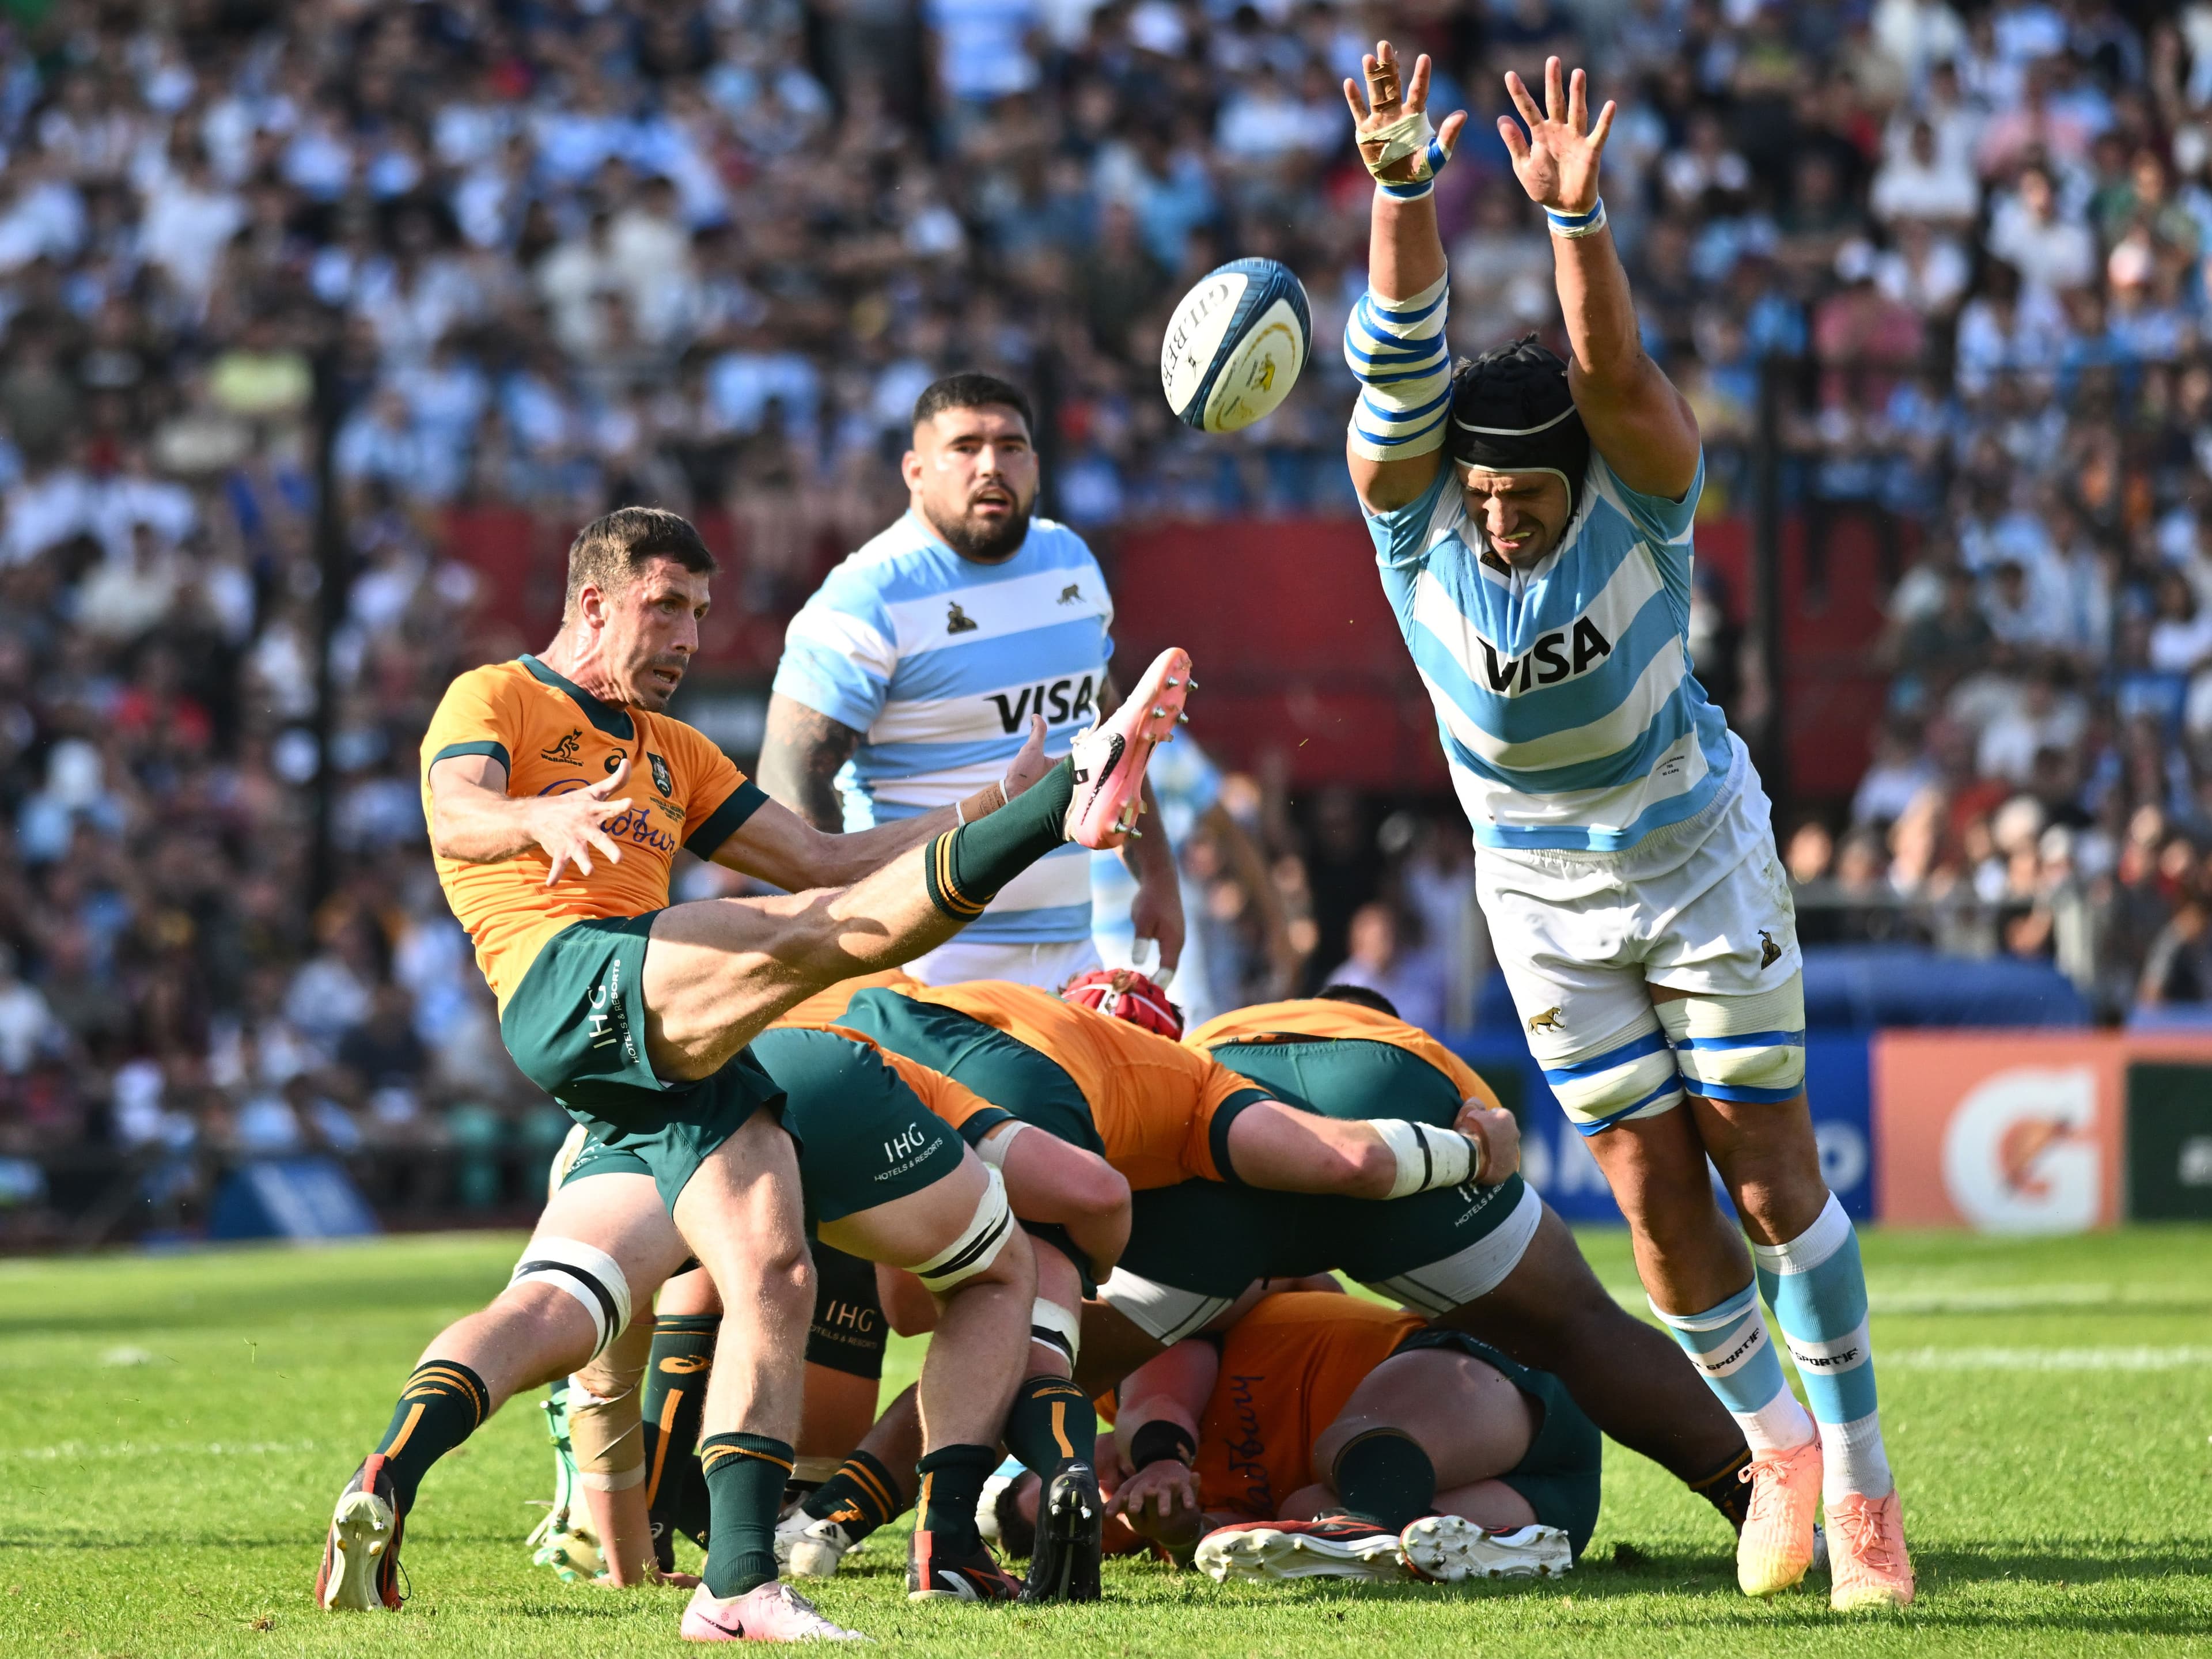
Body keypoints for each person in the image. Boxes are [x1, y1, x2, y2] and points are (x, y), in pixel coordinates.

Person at [315, 503, 1192, 1642]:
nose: (688, 636)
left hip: (660, 1060)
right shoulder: (496, 697)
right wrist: (538, 817)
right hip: (571, 980)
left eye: (699, 612)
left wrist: (979, 798)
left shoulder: (674, 753)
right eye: (664, 608)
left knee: (754, 1276)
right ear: (594, 602)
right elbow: (455, 810)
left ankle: (434, 1495)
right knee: (813, 940)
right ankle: (1065, 801)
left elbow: (826, 855)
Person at [1338, 43, 1910, 1609]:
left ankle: (1862, 1484)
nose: (1497, 512)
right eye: (1479, 491)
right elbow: (1397, 372)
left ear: (1576, 474)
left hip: (1693, 854)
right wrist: (1403, 191)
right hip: (1538, 892)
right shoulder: (1414, 527)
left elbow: (1611, 376)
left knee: (1768, 1174)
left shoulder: (1642, 494)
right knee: (1653, 1202)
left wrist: (1574, 226)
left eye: (1522, 492)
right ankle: (1776, 1451)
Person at [334, 1021, 1132, 1614]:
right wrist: (1089, 1273)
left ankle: (389, 1467)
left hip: (644, 1092)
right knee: (997, 1273)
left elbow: (606, 1388)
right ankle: (944, 1545)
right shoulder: (956, 1036)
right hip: (824, 1073)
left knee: (550, 1305)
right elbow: (1084, 1196)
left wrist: (631, 1562)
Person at [761, 372, 1186, 991]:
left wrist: (1159, 878)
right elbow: (788, 785)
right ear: (915, 472)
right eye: (964, 447)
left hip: (1073, 955)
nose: (991, 465)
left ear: (1035, 466)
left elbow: (1111, 740)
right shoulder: (866, 596)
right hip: (924, 966)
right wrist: (853, 960)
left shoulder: (1071, 561)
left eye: (1010, 447)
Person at [1097, 1289, 1597, 1584]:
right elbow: (1246, 1544)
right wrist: (1182, 1535)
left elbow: (1162, 1401)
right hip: (1550, 1516)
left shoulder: (1125, 1374)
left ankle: (1371, 1524)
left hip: (1500, 1382)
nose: (1112, 1500)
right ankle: (1501, 1552)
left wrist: (1159, 1460)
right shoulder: (1183, 1504)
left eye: (1086, 1489)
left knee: (1346, 1442)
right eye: (1109, 1523)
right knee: (1308, 1510)